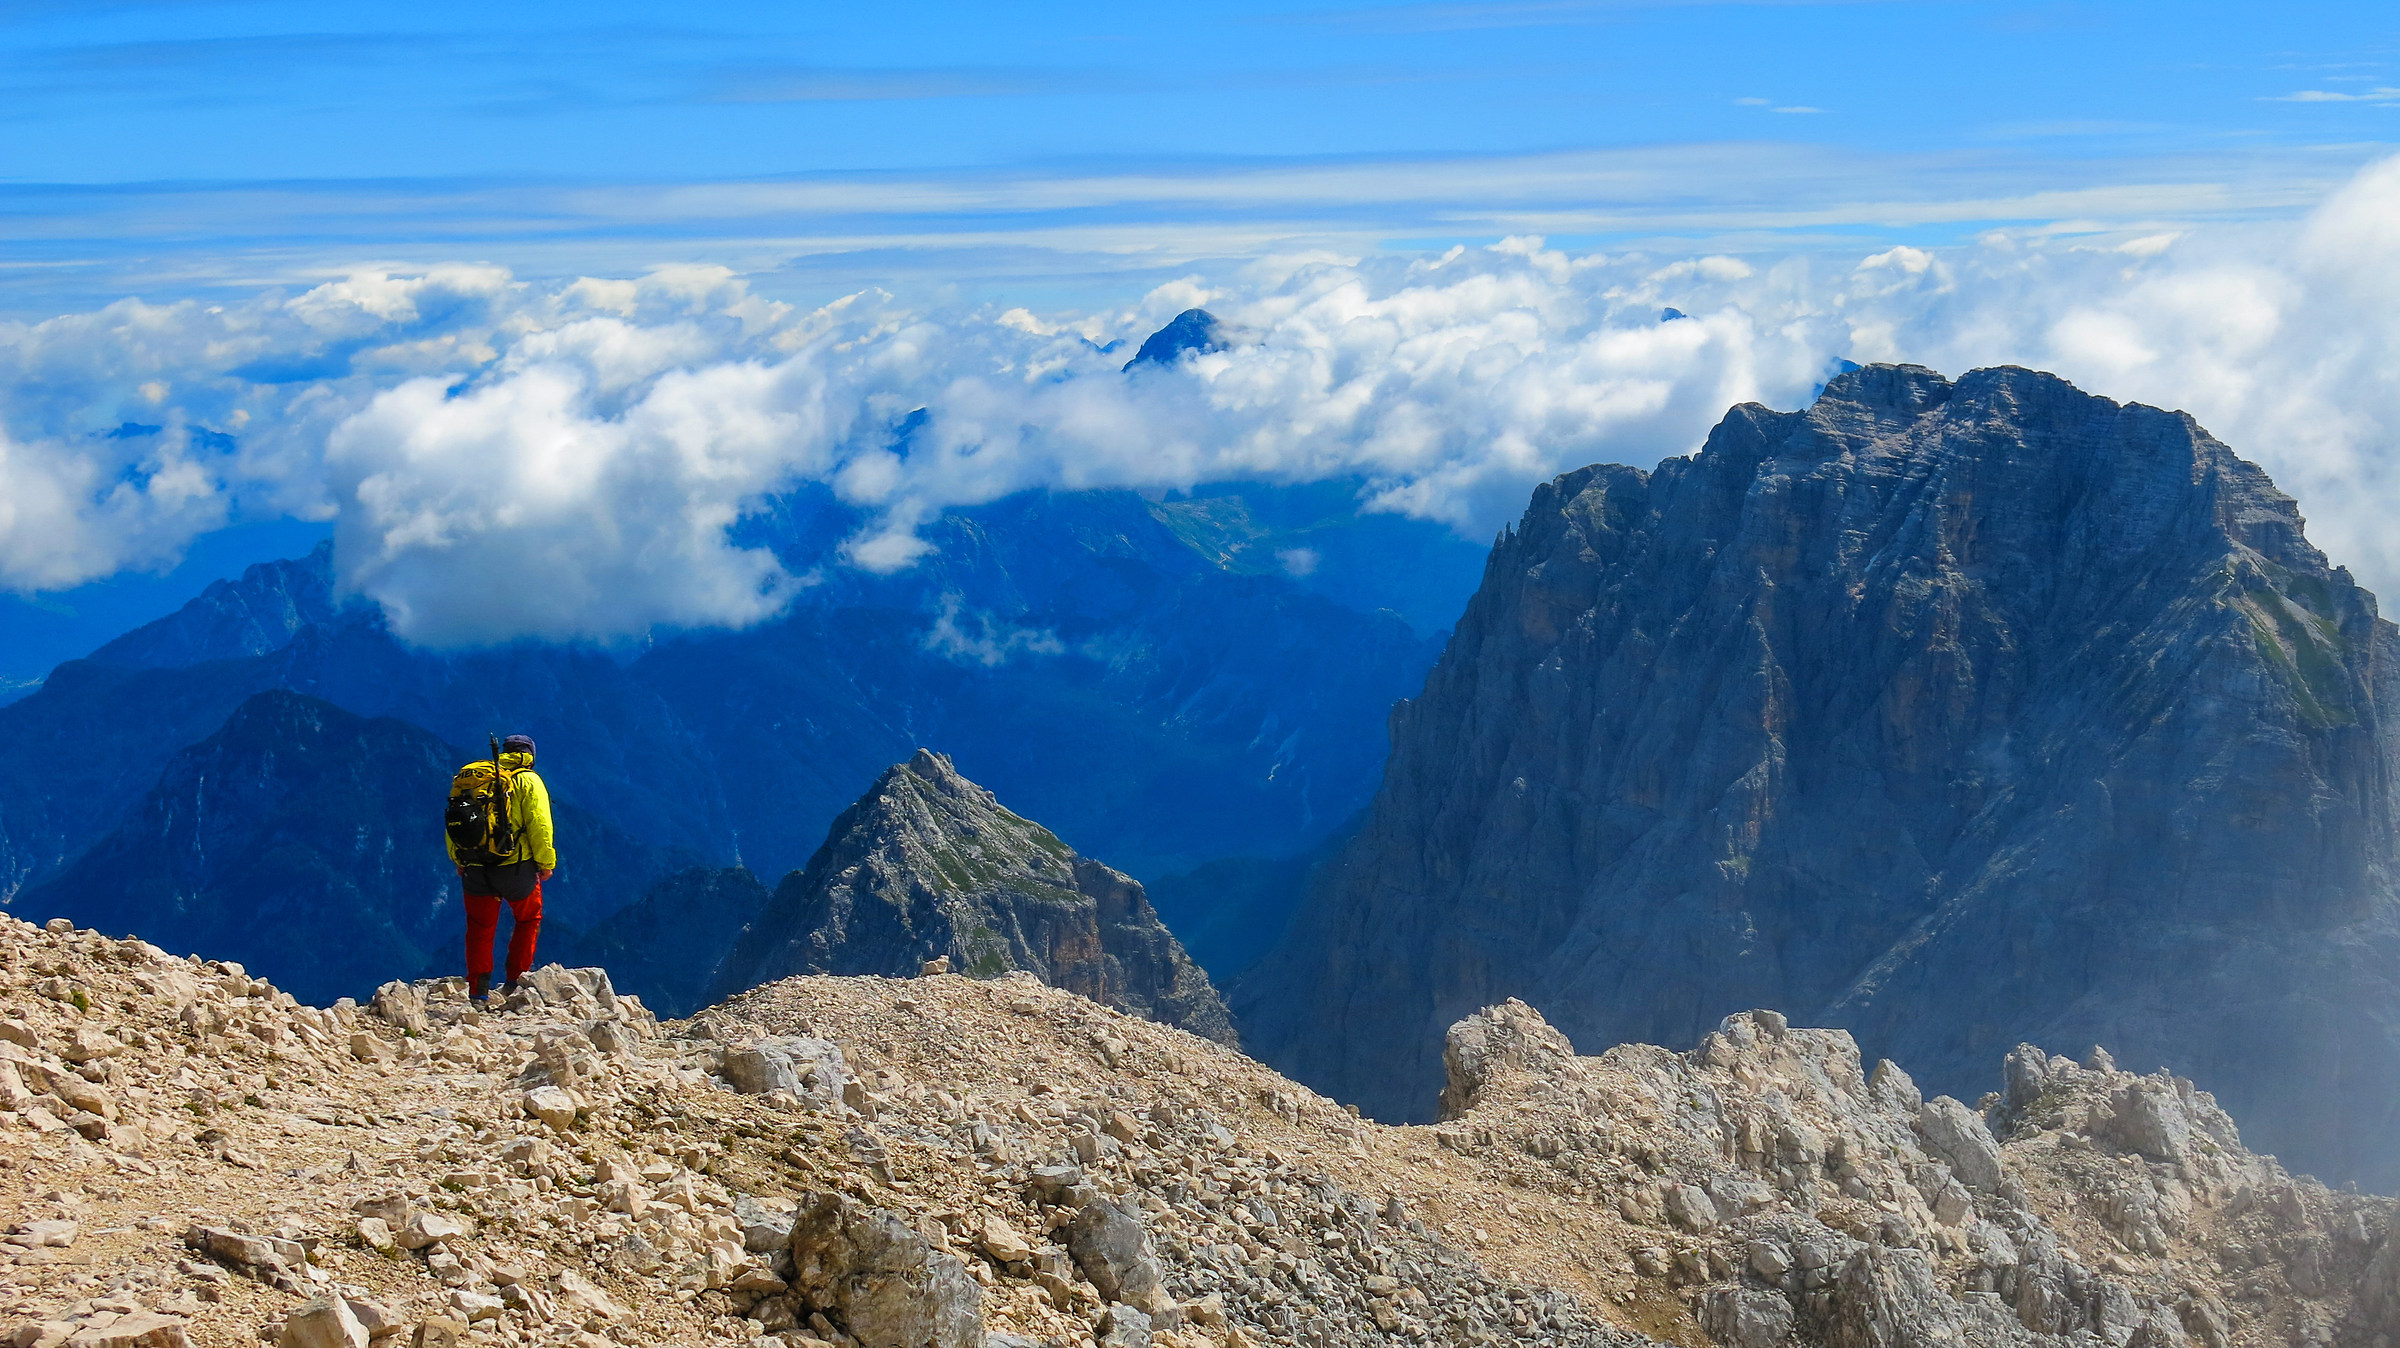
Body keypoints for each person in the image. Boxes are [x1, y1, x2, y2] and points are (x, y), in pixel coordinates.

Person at [448, 733, 555, 1002]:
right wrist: (546, 863)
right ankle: (516, 982)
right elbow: (539, 825)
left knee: (479, 928)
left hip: (474, 866)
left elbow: (455, 821)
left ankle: (478, 992)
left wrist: (459, 859)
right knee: (528, 919)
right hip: (515, 867)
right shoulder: (528, 780)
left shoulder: (473, 779)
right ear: (530, 756)